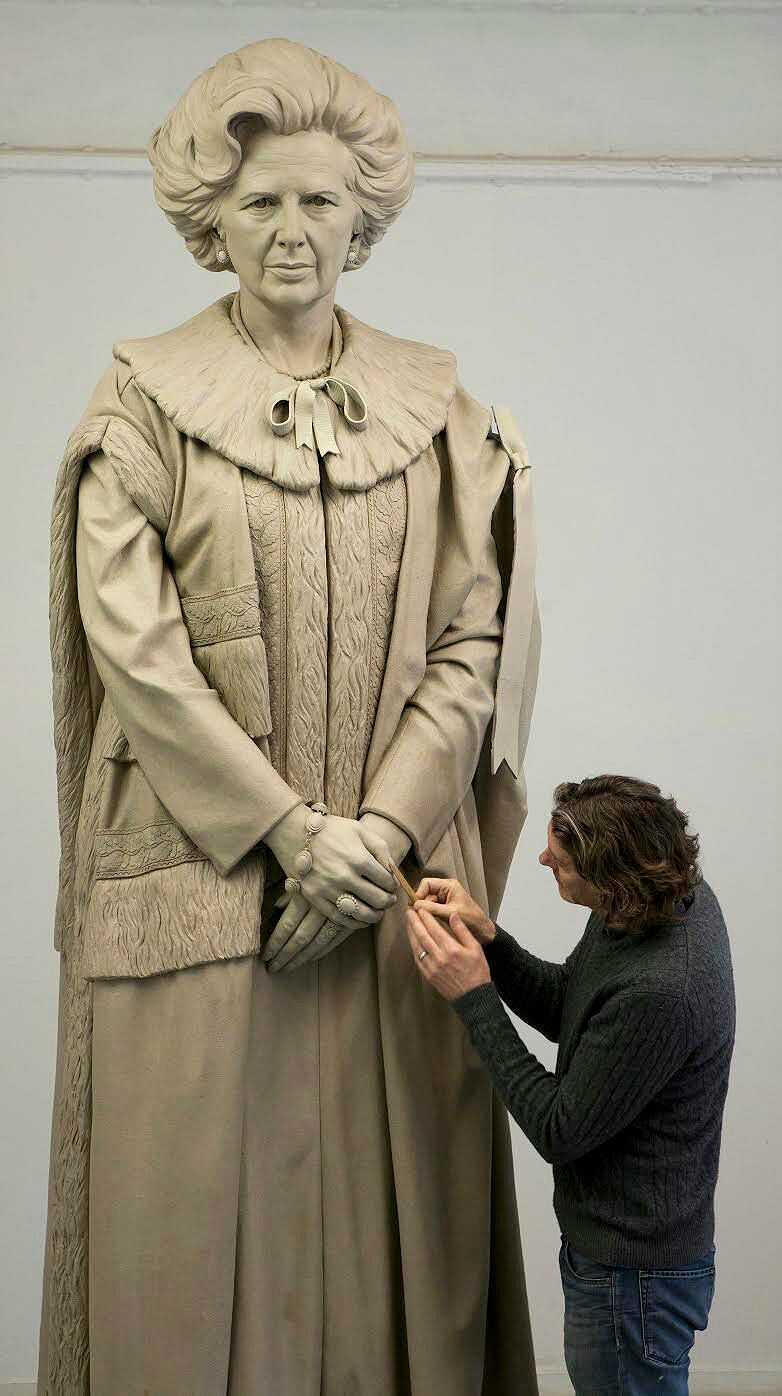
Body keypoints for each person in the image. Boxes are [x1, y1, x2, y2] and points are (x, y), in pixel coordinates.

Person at [39, 37, 542, 1396]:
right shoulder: (143, 401)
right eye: (260, 203)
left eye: (319, 203)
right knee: (186, 1245)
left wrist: (371, 837)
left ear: (362, 220)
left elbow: (468, 639)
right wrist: (281, 833)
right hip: (205, 891)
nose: (291, 233)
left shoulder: (437, 410)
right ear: (212, 219)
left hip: (392, 898)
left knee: (405, 1253)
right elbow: (132, 650)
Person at [406, 774, 735, 1396]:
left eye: (559, 862)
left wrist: (474, 996)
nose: (541, 860)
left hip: (633, 1281)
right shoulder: (647, 900)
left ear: (611, 878)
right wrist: (489, 941)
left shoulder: (663, 987)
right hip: (628, 1264)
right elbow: (571, 1007)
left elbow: (561, 1129)